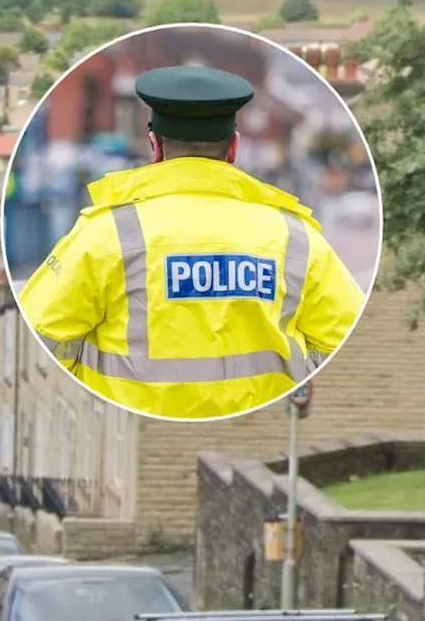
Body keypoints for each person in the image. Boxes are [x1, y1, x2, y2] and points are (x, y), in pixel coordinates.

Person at [19, 65, 366, 420]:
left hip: (124, 429)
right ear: (233, 148)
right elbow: (346, 342)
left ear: (155, 147)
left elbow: (36, 341)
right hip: (258, 431)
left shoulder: (104, 236)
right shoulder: (296, 239)